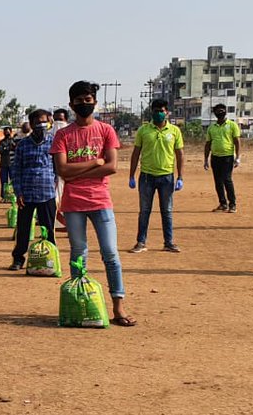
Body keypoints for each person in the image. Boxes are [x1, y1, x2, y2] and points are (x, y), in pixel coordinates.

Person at [51, 81, 135, 326]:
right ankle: (80, 303)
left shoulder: (106, 130)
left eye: (88, 100)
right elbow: (62, 169)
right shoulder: (63, 134)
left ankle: (118, 307)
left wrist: (77, 172)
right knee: (79, 254)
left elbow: (111, 166)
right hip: (73, 202)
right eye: (79, 101)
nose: (84, 104)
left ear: (95, 102)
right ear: (71, 104)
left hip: (100, 201)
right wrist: (94, 164)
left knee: (111, 254)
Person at [129, 99, 185, 253]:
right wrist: (131, 175)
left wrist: (180, 177)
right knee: (144, 211)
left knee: (167, 210)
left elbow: (179, 154)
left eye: (161, 110)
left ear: (167, 112)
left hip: (167, 176)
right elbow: (136, 153)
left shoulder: (174, 131)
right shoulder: (143, 130)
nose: (158, 113)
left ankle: (169, 242)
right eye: (155, 111)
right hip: (146, 177)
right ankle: (141, 242)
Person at [8, 110, 56, 270]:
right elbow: (15, 170)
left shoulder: (54, 143)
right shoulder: (22, 145)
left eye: (44, 122)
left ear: (49, 123)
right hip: (26, 194)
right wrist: (18, 192)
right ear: (32, 124)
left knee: (48, 229)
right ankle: (18, 259)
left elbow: (59, 168)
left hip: (47, 192)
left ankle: (50, 259)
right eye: (38, 122)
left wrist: (58, 188)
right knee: (23, 228)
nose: (41, 125)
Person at [204, 103, 241, 212]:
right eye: (217, 110)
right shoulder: (211, 128)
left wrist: (238, 157)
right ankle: (223, 203)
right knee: (218, 181)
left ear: (225, 111)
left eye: (222, 110)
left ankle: (232, 204)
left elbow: (237, 141)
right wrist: (206, 159)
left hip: (227, 157)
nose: (220, 112)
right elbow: (208, 144)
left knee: (227, 180)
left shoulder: (232, 125)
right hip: (215, 157)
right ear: (214, 113)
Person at [0, 126, 16, 203]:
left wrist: (7, 148)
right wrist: (8, 148)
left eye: (8, 131)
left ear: (11, 132)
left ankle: (14, 196)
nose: (7, 133)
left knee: (13, 181)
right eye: (5, 131)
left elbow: (15, 149)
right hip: (3, 164)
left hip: (12, 164)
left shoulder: (14, 141)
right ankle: (4, 197)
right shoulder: (1, 142)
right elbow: (0, 151)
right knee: (4, 182)